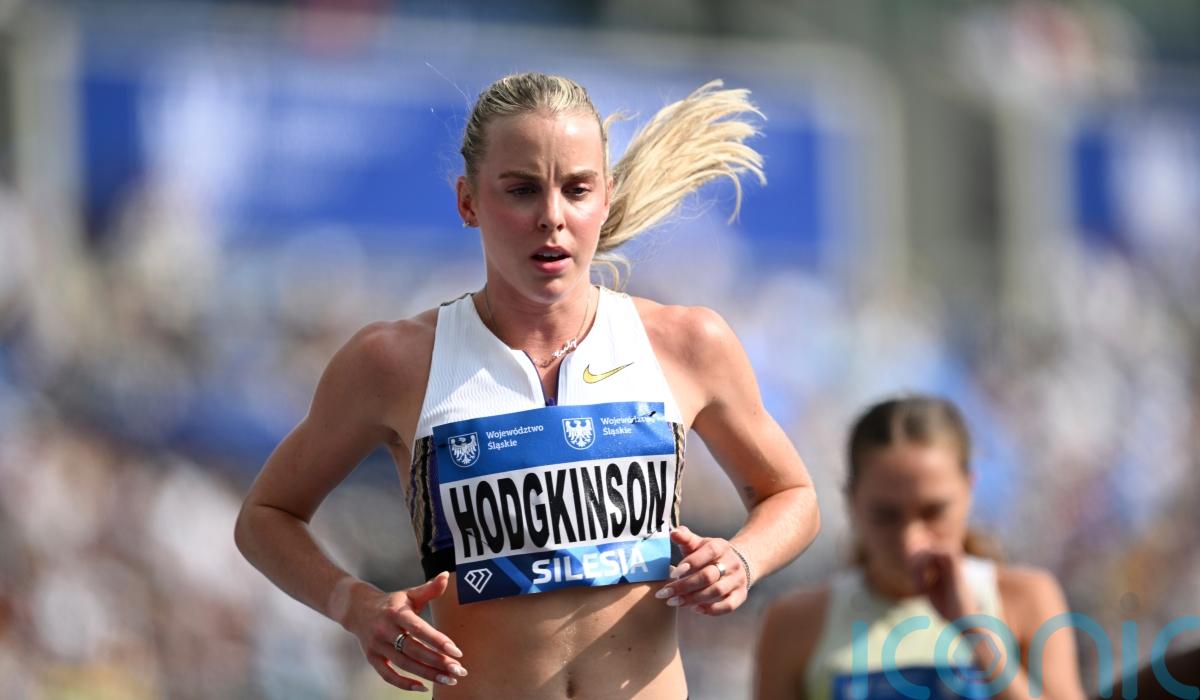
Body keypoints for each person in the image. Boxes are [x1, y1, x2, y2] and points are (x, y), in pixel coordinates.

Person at [234, 72, 820, 699]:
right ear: (468, 202)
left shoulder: (686, 343)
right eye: (521, 190)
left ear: (606, 196)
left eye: (576, 190)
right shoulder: (395, 362)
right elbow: (265, 517)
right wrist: (353, 603)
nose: (551, 218)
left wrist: (742, 559)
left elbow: (793, 495)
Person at [756, 395, 1086, 700]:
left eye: (933, 512)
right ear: (852, 501)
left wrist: (973, 631)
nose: (910, 540)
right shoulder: (796, 624)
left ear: (969, 490)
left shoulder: (1024, 599)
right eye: (886, 515)